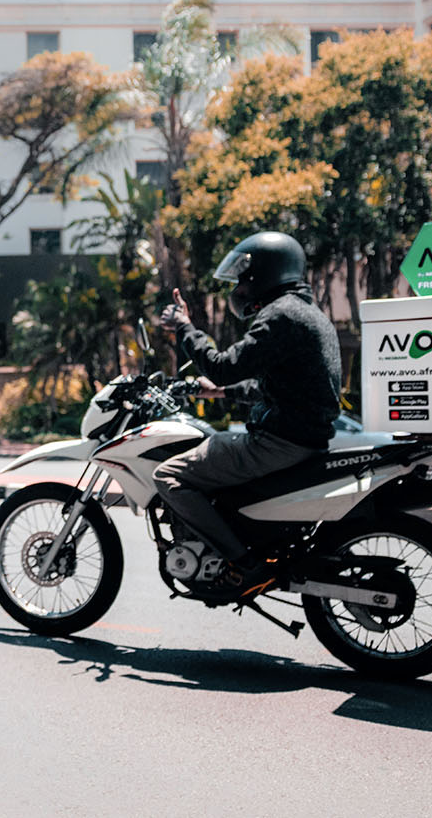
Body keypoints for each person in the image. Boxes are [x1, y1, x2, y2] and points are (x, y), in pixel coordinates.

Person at [155, 231, 342, 600]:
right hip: (303, 439)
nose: (240, 288)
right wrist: (219, 392)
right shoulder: (306, 314)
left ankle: (242, 562)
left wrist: (185, 328)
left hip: (279, 443)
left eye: (243, 277)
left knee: (169, 475)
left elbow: (224, 366)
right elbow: (276, 387)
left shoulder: (281, 316)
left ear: (264, 274)